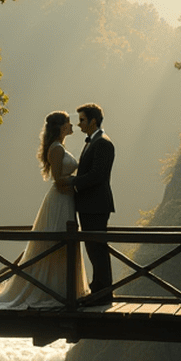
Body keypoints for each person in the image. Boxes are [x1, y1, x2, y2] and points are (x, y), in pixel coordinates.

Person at [0, 111, 89, 309]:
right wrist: (79, 180)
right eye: (68, 122)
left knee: (63, 244)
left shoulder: (60, 147)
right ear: (61, 127)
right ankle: (52, 291)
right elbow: (58, 180)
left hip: (66, 199)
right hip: (60, 199)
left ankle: (62, 290)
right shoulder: (57, 149)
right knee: (57, 243)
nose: (72, 125)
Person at [57, 103, 115, 305]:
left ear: (93, 121)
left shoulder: (103, 143)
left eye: (82, 119)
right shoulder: (93, 142)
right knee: (92, 247)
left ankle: (103, 293)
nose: (79, 123)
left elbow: (98, 175)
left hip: (97, 204)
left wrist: (72, 181)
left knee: (97, 247)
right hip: (89, 203)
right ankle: (98, 289)